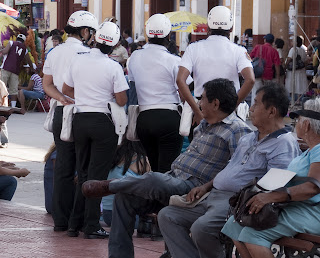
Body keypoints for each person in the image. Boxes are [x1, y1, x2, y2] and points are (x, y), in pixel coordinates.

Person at [81, 78, 252, 258]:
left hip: (195, 187)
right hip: (174, 179)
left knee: (154, 178)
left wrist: (208, 186)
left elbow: (237, 170)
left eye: (202, 99)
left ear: (215, 103)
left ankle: (111, 185)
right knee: (125, 198)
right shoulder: (203, 125)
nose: (199, 103)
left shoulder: (238, 130)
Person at [158, 82, 300, 258]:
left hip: (237, 201)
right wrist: (206, 186)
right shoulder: (249, 138)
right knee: (168, 215)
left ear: (272, 111)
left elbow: (275, 184)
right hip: (213, 195)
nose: (251, 108)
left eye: (256, 103)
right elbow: (230, 168)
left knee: (201, 227)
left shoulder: (283, 143)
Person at [221, 102, 320, 258]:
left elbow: (313, 187)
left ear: (306, 124)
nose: (295, 125)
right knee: (235, 224)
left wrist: (272, 196)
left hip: (312, 211)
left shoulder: (319, 150)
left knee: (253, 235)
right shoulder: (310, 150)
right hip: (296, 206)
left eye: (297, 121)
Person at [61, 21, 129, 239]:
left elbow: (66, 89)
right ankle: (91, 225)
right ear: (114, 44)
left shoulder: (79, 60)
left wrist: (84, 94)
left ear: (96, 38)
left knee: (82, 173)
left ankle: (74, 223)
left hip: (80, 119)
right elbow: (121, 99)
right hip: (102, 121)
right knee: (97, 176)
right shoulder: (113, 66)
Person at [42, 10, 96, 233]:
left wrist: (61, 98)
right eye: (91, 32)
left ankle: (60, 220)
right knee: (83, 167)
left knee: (63, 166)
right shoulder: (86, 54)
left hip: (60, 113)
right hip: (82, 114)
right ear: (84, 31)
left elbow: (47, 84)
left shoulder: (54, 52)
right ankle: (79, 219)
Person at [177, 6, 255, 126]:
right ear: (231, 28)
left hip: (202, 109)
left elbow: (180, 80)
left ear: (208, 27)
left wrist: (197, 111)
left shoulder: (193, 48)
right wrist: (233, 106)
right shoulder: (238, 50)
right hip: (229, 111)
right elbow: (250, 80)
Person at [127, 14, 184, 172]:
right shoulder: (174, 61)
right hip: (169, 118)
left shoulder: (134, 57)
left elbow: (133, 88)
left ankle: (152, 197)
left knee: (153, 165)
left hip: (144, 118)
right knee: (167, 169)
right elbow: (187, 88)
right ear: (169, 36)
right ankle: (163, 197)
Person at [102, 139, 151, 226]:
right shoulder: (141, 159)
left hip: (108, 215)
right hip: (129, 216)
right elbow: (151, 187)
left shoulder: (109, 158)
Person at [250, 33, 282, 103]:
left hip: (258, 74)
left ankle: (254, 109)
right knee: (267, 95)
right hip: (268, 76)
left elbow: (249, 57)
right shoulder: (274, 51)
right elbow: (277, 65)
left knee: (255, 93)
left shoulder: (258, 47)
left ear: (265, 40)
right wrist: (278, 77)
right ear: (272, 42)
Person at [0, 33, 29, 108]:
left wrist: (2, 49)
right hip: (16, 70)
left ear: (17, 38)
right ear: (23, 41)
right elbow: (27, 60)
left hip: (6, 68)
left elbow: (5, 52)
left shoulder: (11, 43)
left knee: (2, 86)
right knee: (14, 90)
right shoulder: (25, 49)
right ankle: (13, 107)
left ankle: (1, 105)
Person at [286, 35, 309, 101]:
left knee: (292, 84)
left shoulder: (293, 49)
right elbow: (305, 61)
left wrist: (285, 66)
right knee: (300, 84)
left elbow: (289, 59)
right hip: (301, 70)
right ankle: (299, 99)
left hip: (293, 71)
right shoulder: (302, 50)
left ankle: (293, 100)